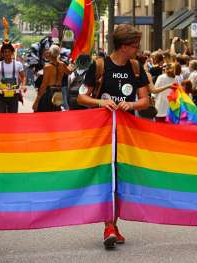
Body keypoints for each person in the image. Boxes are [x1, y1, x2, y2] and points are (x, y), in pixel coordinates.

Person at [77, 24, 149, 249]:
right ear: (124, 46)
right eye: (135, 46)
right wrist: (101, 102)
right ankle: (109, 225)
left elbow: (145, 101)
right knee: (107, 178)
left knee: (118, 180)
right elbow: (81, 97)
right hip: (101, 134)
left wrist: (131, 104)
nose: (138, 49)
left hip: (127, 135)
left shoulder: (136, 67)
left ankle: (112, 225)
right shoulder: (99, 65)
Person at [32, 44, 73, 112]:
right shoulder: (62, 65)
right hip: (58, 93)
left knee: (44, 116)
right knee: (55, 116)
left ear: (50, 53)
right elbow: (70, 72)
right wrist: (70, 65)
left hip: (49, 93)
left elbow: (44, 85)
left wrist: (37, 101)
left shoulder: (47, 67)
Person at [0, 40, 25, 113]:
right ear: (2, 53)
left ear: (12, 52)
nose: (7, 53)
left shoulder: (18, 64)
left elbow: (23, 77)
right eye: (5, 52)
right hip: (0, 94)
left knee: (13, 115)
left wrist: (23, 85)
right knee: (0, 114)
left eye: (9, 51)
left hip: (14, 94)